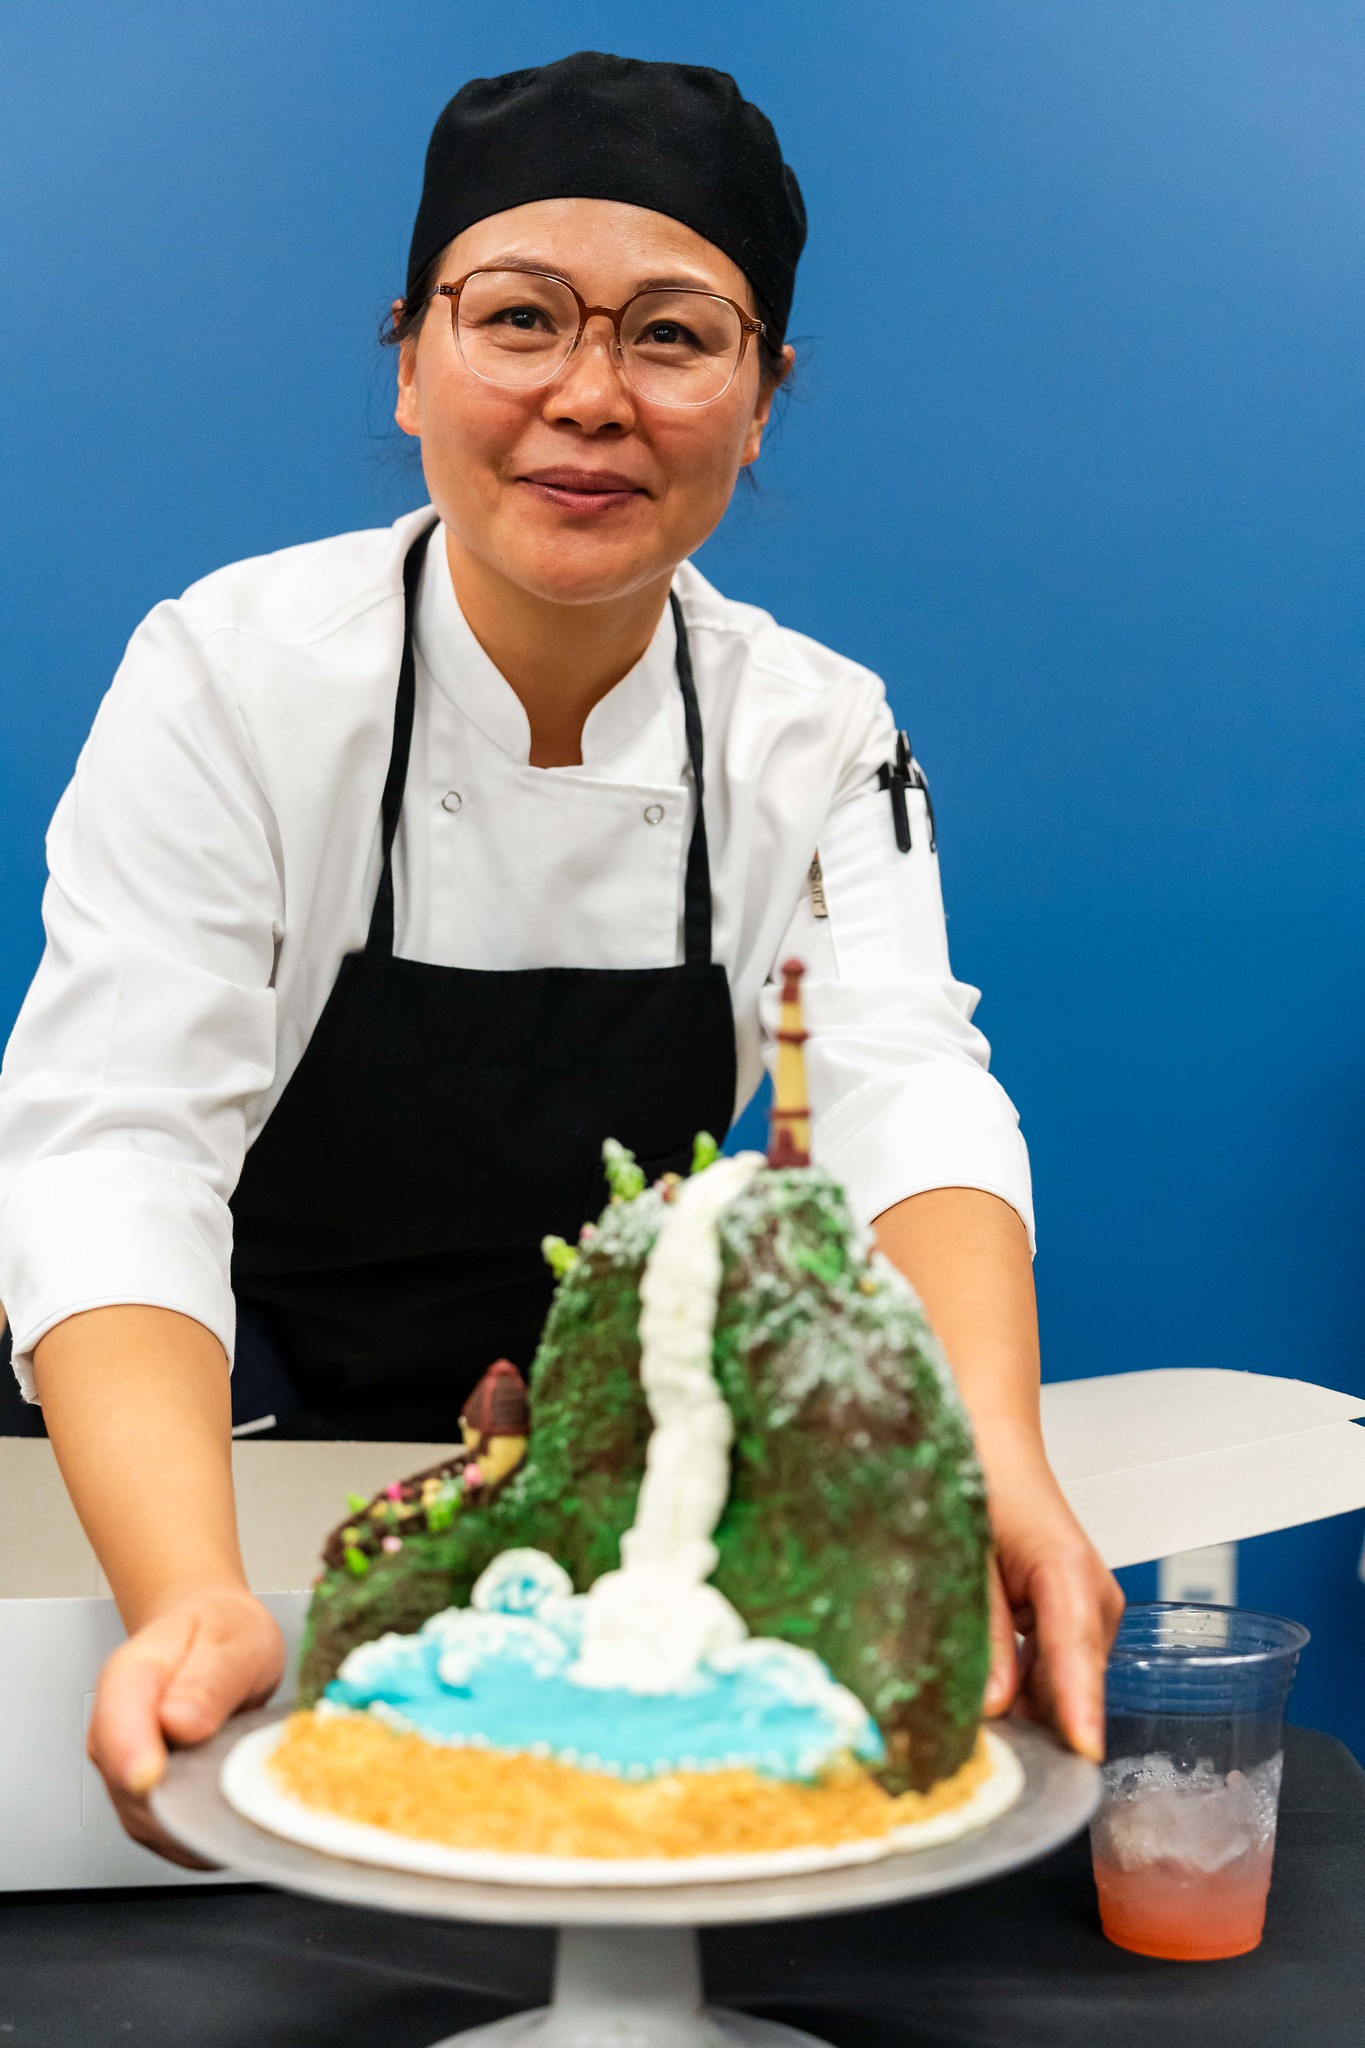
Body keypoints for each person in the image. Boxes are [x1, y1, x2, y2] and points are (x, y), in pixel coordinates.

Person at [0, 52, 1121, 1864]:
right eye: (518, 317)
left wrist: (993, 1451)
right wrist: (189, 1587)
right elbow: (116, 1140)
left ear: (759, 404)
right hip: (202, 1432)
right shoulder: (226, 673)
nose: (588, 397)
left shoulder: (812, 730)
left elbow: (907, 1093)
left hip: (585, 1479)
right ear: (410, 358)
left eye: (674, 337)